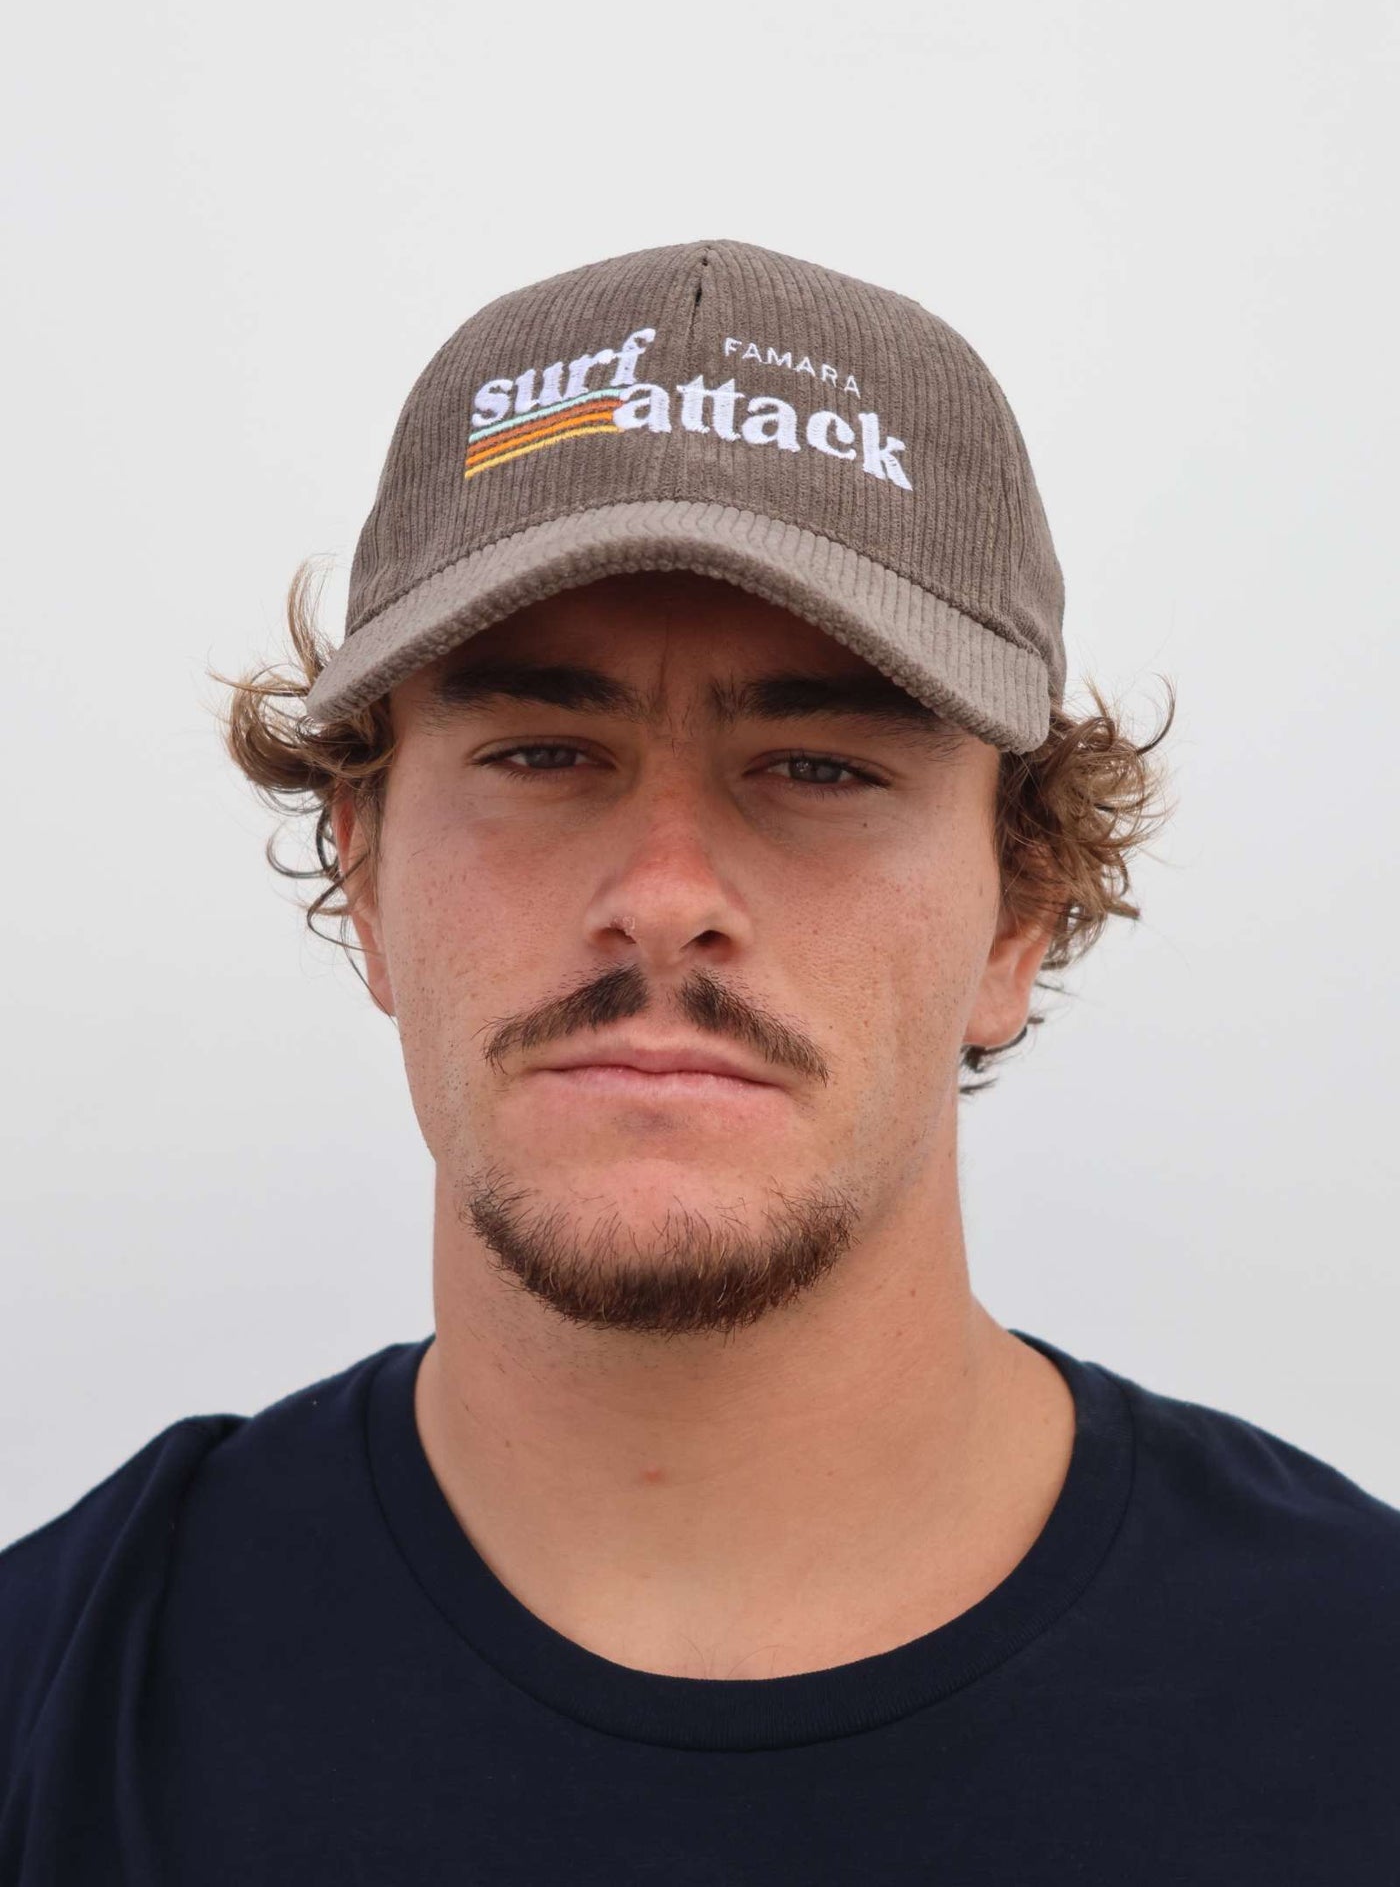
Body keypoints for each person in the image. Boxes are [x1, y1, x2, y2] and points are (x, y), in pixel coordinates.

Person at [2, 239, 1396, 1882]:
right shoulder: (52, 1707)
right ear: (364, 876)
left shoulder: (1357, 1705)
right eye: (542, 752)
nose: (664, 896)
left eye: (819, 765)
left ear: (1021, 908)